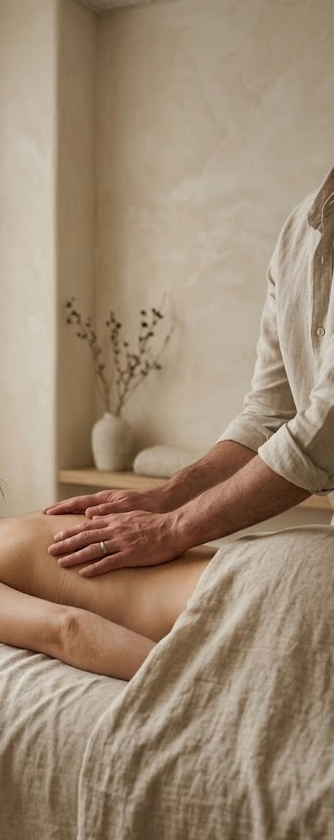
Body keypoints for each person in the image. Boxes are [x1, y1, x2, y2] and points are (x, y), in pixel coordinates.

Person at [46, 163, 334, 576]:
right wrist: (167, 497)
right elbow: (270, 414)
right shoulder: (299, 232)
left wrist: (171, 529)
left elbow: (325, 428)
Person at [0, 456, 216, 681]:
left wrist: (190, 684)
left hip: (222, 608)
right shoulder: (45, 517)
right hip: (240, 565)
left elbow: (68, 629)